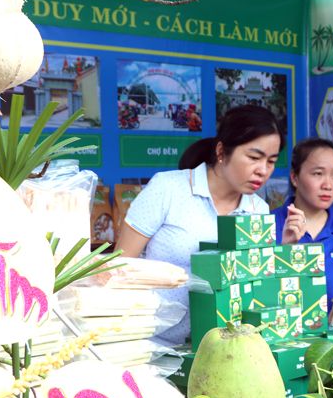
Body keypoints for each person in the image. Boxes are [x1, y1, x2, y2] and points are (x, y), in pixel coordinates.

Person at [117, 104, 283, 345]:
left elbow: (255, 282)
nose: (263, 170)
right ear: (222, 151)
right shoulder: (168, 189)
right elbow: (119, 266)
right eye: (254, 157)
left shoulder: (259, 210)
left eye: (271, 161)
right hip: (151, 343)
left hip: (221, 349)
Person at [273, 137, 333, 302]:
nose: (328, 185)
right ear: (294, 178)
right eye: (318, 173)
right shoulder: (266, 226)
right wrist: (285, 250)